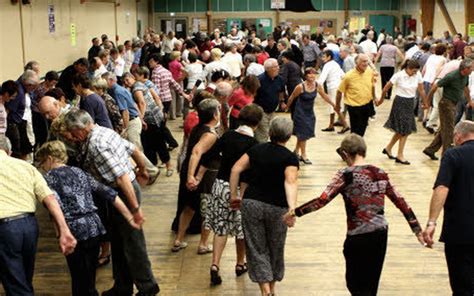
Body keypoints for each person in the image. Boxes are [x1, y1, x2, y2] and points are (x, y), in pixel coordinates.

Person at [285, 134, 424, 296]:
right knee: (371, 285)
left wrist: (295, 212)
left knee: (354, 284)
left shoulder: (345, 174)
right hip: (380, 234)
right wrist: (417, 229)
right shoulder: (380, 172)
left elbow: (322, 200)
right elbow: (401, 201)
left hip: (357, 236)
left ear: (345, 154)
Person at [62, 109, 160, 295]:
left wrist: (135, 208)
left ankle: (148, 286)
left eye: (73, 132)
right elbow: (133, 149)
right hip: (118, 192)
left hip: (123, 192)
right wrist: (142, 169)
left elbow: (121, 178)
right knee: (119, 241)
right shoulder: (103, 131)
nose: (72, 137)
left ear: (81, 128)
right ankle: (123, 285)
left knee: (133, 243)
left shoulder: (96, 145)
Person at [35, 140, 141, 296]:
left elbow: (54, 207)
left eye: (42, 163)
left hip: (73, 230)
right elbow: (110, 194)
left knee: (78, 278)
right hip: (94, 227)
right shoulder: (80, 172)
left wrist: (60, 233)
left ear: (49, 159)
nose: (42, 167)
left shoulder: (48, 179)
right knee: (89, 276)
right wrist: (130, 216)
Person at [229, 116, 299, 296]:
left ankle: (265, 290)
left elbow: (236, 169)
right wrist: (292, 209)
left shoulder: (256, 149)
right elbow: (290, 182)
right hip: (278, 207)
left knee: (256, 247)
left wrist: (234, 195)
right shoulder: (290, 158)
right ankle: (272, 288)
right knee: (276, 247)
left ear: (269, 132)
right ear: (289, 135)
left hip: (252, 203)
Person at [0, 135, 77, 295]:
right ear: (9, 151)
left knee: (16, 285)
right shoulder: (26, 167)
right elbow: (50, 199)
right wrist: (64, 230)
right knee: (24, 279)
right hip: (29, 226)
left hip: (4, 229)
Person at [202, 104, 263, 286]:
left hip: (221, 185)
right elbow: (251, 174)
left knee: (220, 228)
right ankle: (239, 263)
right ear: (257, 124)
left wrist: (196, 177)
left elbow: (209, 157)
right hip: (241, 191)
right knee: (241, 229)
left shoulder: (227, 136)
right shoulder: (254, 145)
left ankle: (215, 265)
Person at [423, 120, 474, 295]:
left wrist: (431, 222)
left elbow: (442, 188)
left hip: (460, 232)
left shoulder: (453, 155)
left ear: (458, 136)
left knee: (462, 286)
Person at [172, 99, 220, 253]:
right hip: (203, 176)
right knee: (207, 209)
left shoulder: (197, 128)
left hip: (191, 172)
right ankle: (203, 244)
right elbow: (197, 152)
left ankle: (179, 239)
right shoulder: (210, 134)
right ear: (214, 114)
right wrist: (192, 176)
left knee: (189, 207)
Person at [376, 60, 427, 165]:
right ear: (407, 68)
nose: (415, 73)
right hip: (399, 102)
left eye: (416, 71)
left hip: (410, 102)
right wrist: (381, 100)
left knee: (401, 130)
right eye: (413, 71)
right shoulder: (398, 75)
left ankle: (388, 148)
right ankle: (400, 155)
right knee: (405, 130)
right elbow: (386, 88)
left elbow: (421, 90)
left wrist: (425, 102)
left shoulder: (417, 75)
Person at [423, 58, 474, 160]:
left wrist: (469, 101)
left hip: (454, 104)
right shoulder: (452, 76)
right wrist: (427, 102)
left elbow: (466, 88)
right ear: (465, 68)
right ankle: (447, 155)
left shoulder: (466, 76)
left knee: (445, 128)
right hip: (446, 104)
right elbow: (434, 87)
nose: (472, 69)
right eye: (471, 68)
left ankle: (430, 149)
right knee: (449, 130)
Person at [286, 67, 337, 165]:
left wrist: (333, 104)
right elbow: (292, 97)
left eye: (314, 73)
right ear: (305, 75)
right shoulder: (300, 87)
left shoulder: (317, 85)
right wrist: (286, 107)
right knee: (303, 133)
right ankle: (304, 155)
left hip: (310, 112)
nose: (312, 75)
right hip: (300, 113)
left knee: (303, 133)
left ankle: (296, 151)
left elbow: (324, 95)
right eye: (310, 73)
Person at [335, 54, 376, 137]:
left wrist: (374, 97)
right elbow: (339, 92)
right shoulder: (348, 76)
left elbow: (372, 85)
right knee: (355, 131)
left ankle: (354, 147)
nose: (366, 63)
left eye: (367, 61)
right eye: (363, 61)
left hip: (367, 104)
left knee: (362, 129)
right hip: (354, 106)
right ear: (357, 63)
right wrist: (337, 105)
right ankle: (350, 148)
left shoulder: (369, 71)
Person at [254, 58, 285, 143]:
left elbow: (281, 91)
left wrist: (282, 102)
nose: (278, 68)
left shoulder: (280, 79)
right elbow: (253, 95)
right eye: (275, 66)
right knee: (263, 133)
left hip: (273, 111)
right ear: (268, 69)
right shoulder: (259, 80)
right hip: (261, 111)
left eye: (278, 66)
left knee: (271, 131)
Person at [317, 50, 348, 132]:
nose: (322, 58)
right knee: (333, 106)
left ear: (329, 57)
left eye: (324, 56)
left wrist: (316, 86)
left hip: (332, 88)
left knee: (335, 106)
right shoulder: (336, 64)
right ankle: (331, 125)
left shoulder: (327, 65)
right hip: (339, 87)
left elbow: (321, 79)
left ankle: (345, 124)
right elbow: (343, 75)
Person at [374, 36, 404, 100]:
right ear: (392, 41)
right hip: (391, 65)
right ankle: (389, 95)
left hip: (383, 64)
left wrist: (374, 63)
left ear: (386, 40)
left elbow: (378, 55)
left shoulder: (382, 47)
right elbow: (401, 55)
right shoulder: (394, 47)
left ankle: (384, 94)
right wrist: (403, 62)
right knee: (390, 80)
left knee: (383, 79)